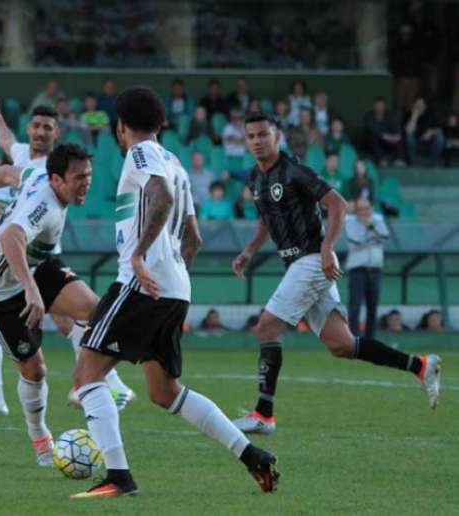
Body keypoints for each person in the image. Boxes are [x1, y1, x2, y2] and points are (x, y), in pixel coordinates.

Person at [70, 86, 278, 500]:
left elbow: (161, 199)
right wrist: (172, 275)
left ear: (121, 126)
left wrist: (141, 258)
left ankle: (118, 477)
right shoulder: (176, 163)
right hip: (175, 287)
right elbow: (194, 237)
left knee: (87, 375)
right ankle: (252, 454)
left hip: (142, 283)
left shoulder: (140, 152)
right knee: (165, 392)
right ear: (162, 123)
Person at [229, 112, 442, 437]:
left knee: (267, 327)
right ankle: (420, 366)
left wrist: (328, 247)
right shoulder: (254, 178)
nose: (257, 141)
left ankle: (263, 414)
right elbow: (265, 220)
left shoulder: (295, 171)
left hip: (313, 260)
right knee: (341, 344)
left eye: (263, 135)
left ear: (278, 137)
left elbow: (338, 204)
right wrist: (248, 252)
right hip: (298, 264)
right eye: (251, 136)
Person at [0, 144, 113, 466]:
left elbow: (3, 173)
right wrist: (32, 291)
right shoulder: (44, 205)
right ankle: (41, 439)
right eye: (79, 177)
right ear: (57, 179)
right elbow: (10, 238)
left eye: (88, 175)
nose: (86, 183)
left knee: (99, 312)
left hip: (37, 265)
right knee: (35, 371)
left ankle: (84, 381)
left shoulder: (36, 174)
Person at [0, 95, 134, 417]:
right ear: (29, 128)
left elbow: (22, 217)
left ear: (56, 134)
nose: (41, 132)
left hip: (41, 259)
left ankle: (107, 382)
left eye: (48, 128)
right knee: (2, 322)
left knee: (74, 317)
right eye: (37, 126)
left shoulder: (53, 168)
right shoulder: (22, 159)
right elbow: (7, 144)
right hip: (16, 257)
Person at [345, 198, 389, 339]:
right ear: (356, 210)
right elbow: (355, 243)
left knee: (372, 307)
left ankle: (370, 340)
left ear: (371, 208)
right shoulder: (350, 222)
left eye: (367, 208)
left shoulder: (378, 220)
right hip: (358, 271)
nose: (364, 212)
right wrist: (370, 234)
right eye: (361, 209)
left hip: (375, 270)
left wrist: (371, 227)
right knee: (354, 307)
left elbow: (385, 237)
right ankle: (353, 340)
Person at [404, 97, 445, 167]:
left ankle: (433, 163)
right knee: (409, 139)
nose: (419, 107)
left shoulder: (431, 114)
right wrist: (414, 117)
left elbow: (440, 130)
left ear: (425, 106)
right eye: (417, 105)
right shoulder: (409, 114)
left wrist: (431, 132)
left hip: (429, 140)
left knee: (440, 139)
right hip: (416, 139)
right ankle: (413, 164)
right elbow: (408, 132)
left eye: (421, 105)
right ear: (413, 106)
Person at [363, 97, 403, 166]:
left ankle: (399, 159)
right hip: (371, 144)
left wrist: (395, 136)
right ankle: (380, 160)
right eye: (377, 105)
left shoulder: (389, 116)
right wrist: (384, 136)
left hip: (387, 142)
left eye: (381, 106)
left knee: (398, 138)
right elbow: (372, 129)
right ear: (374, 106)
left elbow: (396, 127)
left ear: (384, 106)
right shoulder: (369, 115)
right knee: (374, 136)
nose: (379, 108)